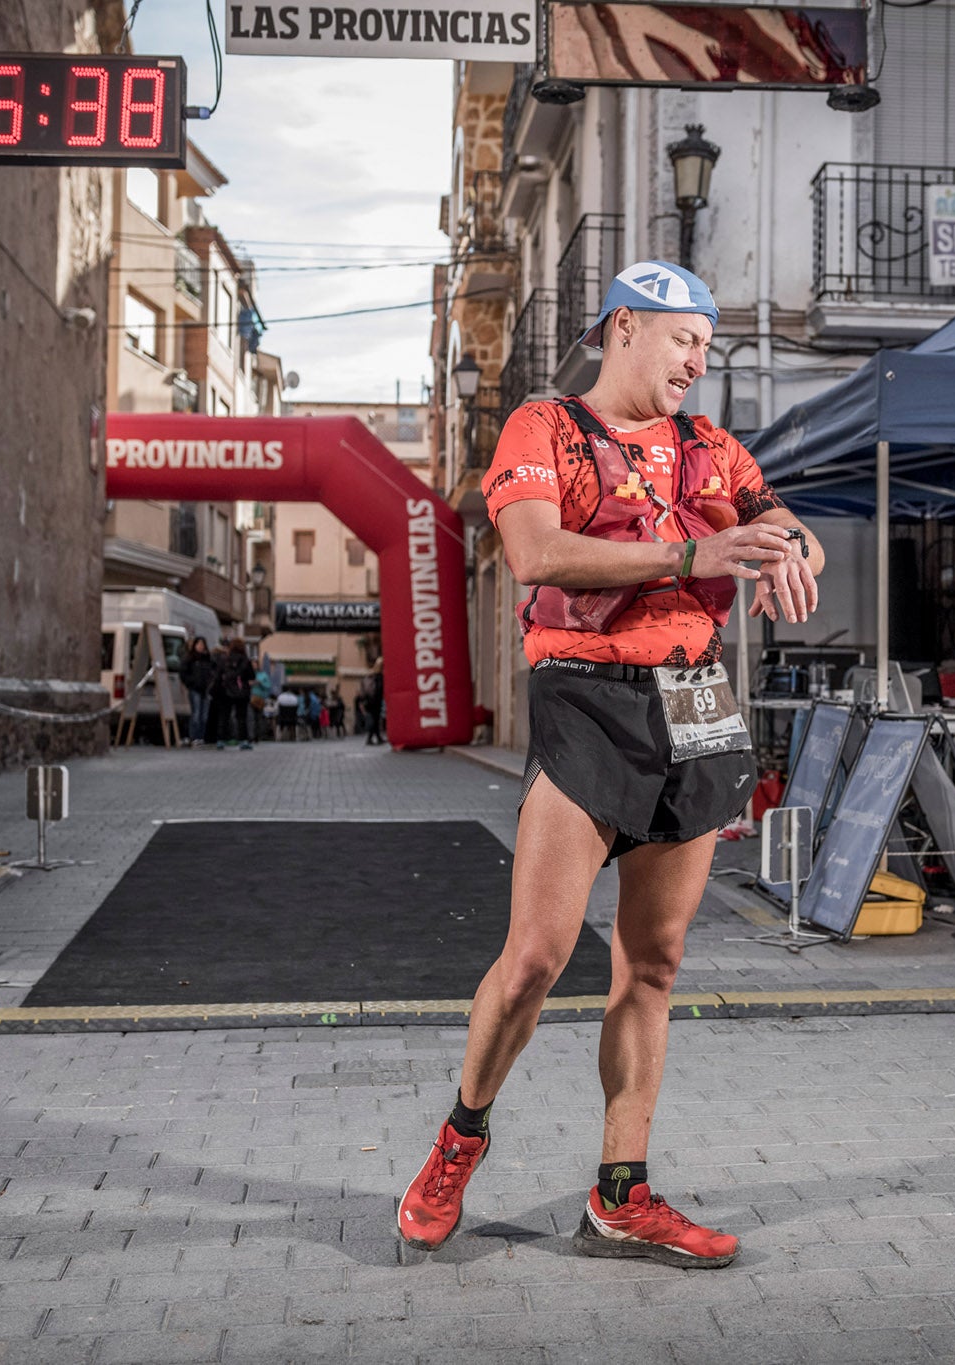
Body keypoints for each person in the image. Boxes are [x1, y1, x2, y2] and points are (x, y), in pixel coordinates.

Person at [397, 260, 824, 1269]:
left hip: (697, 698)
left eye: (706, 348)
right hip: (588, 694)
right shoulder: (544, 429)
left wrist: (793, 548)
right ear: (625, 328)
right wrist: (692, 559)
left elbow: (775, 517)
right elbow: (537, 554)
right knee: (538, 955)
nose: (696, 362)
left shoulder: (710, 448)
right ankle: (461, 1134)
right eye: (684, 341)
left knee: (655, 964)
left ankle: (619, 1193)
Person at [215, 641, 255, 749]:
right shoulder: (246, 660)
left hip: (225, 691)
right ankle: (243, 740)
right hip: (242, 692)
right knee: (241, 717)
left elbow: (218, 675)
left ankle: (220, 740)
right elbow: (252, 676)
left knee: (224, 716)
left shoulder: (224, 659)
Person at [179, 637, 215, 748]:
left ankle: (200, 737)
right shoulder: (190, 658)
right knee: (196, 714)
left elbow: (213, 671)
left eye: (202, 644)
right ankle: (193, 737)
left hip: (206, 690)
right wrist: (190, 683)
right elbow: (183, 673)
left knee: (204, 716)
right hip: (195, 689)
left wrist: (211, 683)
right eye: (198, 644)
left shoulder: (208, 659)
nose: (200, 646)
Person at [364, 663, 386, 746]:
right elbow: (379, 690)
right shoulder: (379, 677)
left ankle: (378, 738)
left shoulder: (373, 677)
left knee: (376, 720)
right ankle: (370, 738)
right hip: (375, 702)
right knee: (375, 721)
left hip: (372, 702)